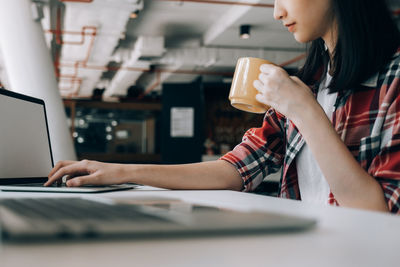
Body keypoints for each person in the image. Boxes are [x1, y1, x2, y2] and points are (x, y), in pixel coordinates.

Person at [46, 0, 400, 213]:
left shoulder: (392, 78)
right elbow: (234, 170)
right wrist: (120, 172)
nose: (277, 12)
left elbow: (379, 210)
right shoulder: (307, 83)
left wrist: (305, 111)